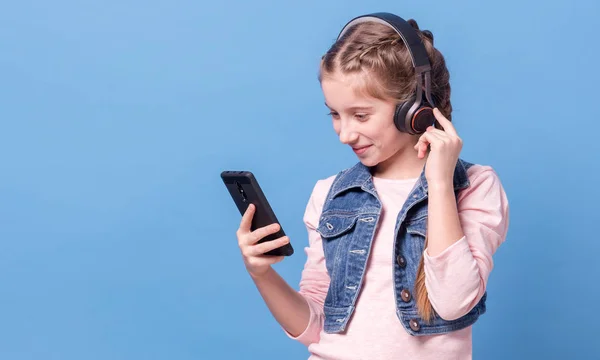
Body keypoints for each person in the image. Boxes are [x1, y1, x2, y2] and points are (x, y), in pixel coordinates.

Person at [235, 12, 510, 360]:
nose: (345, 134)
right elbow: (317, 326)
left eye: (360, 115)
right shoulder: (330, 194)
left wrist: (439, 183)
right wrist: (260, 274)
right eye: (335, 114)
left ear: (415, 107)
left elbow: (454, 303)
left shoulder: (474, 187)